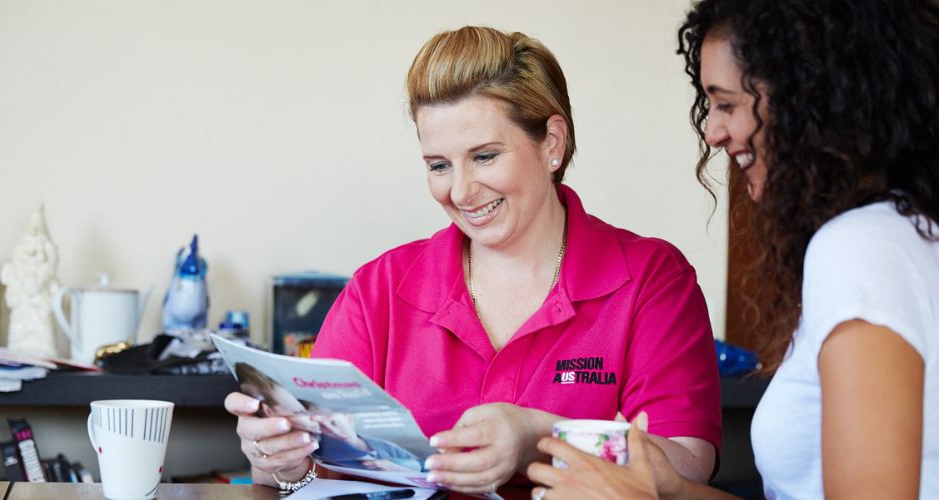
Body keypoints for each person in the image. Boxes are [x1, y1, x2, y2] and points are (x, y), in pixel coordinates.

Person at [225, 25, 722, 494]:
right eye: (439, 165)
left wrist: (537, 435)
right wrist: (284, 462)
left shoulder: (652, 279)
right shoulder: (378, 289)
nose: (460, 191)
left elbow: (685, 461)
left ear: (552, 142)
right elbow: (312, 472)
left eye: (484, 156)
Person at [528, 0, 939, 498]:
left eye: (726, 104)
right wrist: (668, 490)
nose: (713, 132)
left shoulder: (859, 248)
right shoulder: (897, 233)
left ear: (809, 100)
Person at [235, 363, 422, 473]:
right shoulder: (325, 447)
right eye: (321, 424)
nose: (329, 429)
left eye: (332, 422)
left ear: (348, 418)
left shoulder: (382, 446)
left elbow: (419, 466)